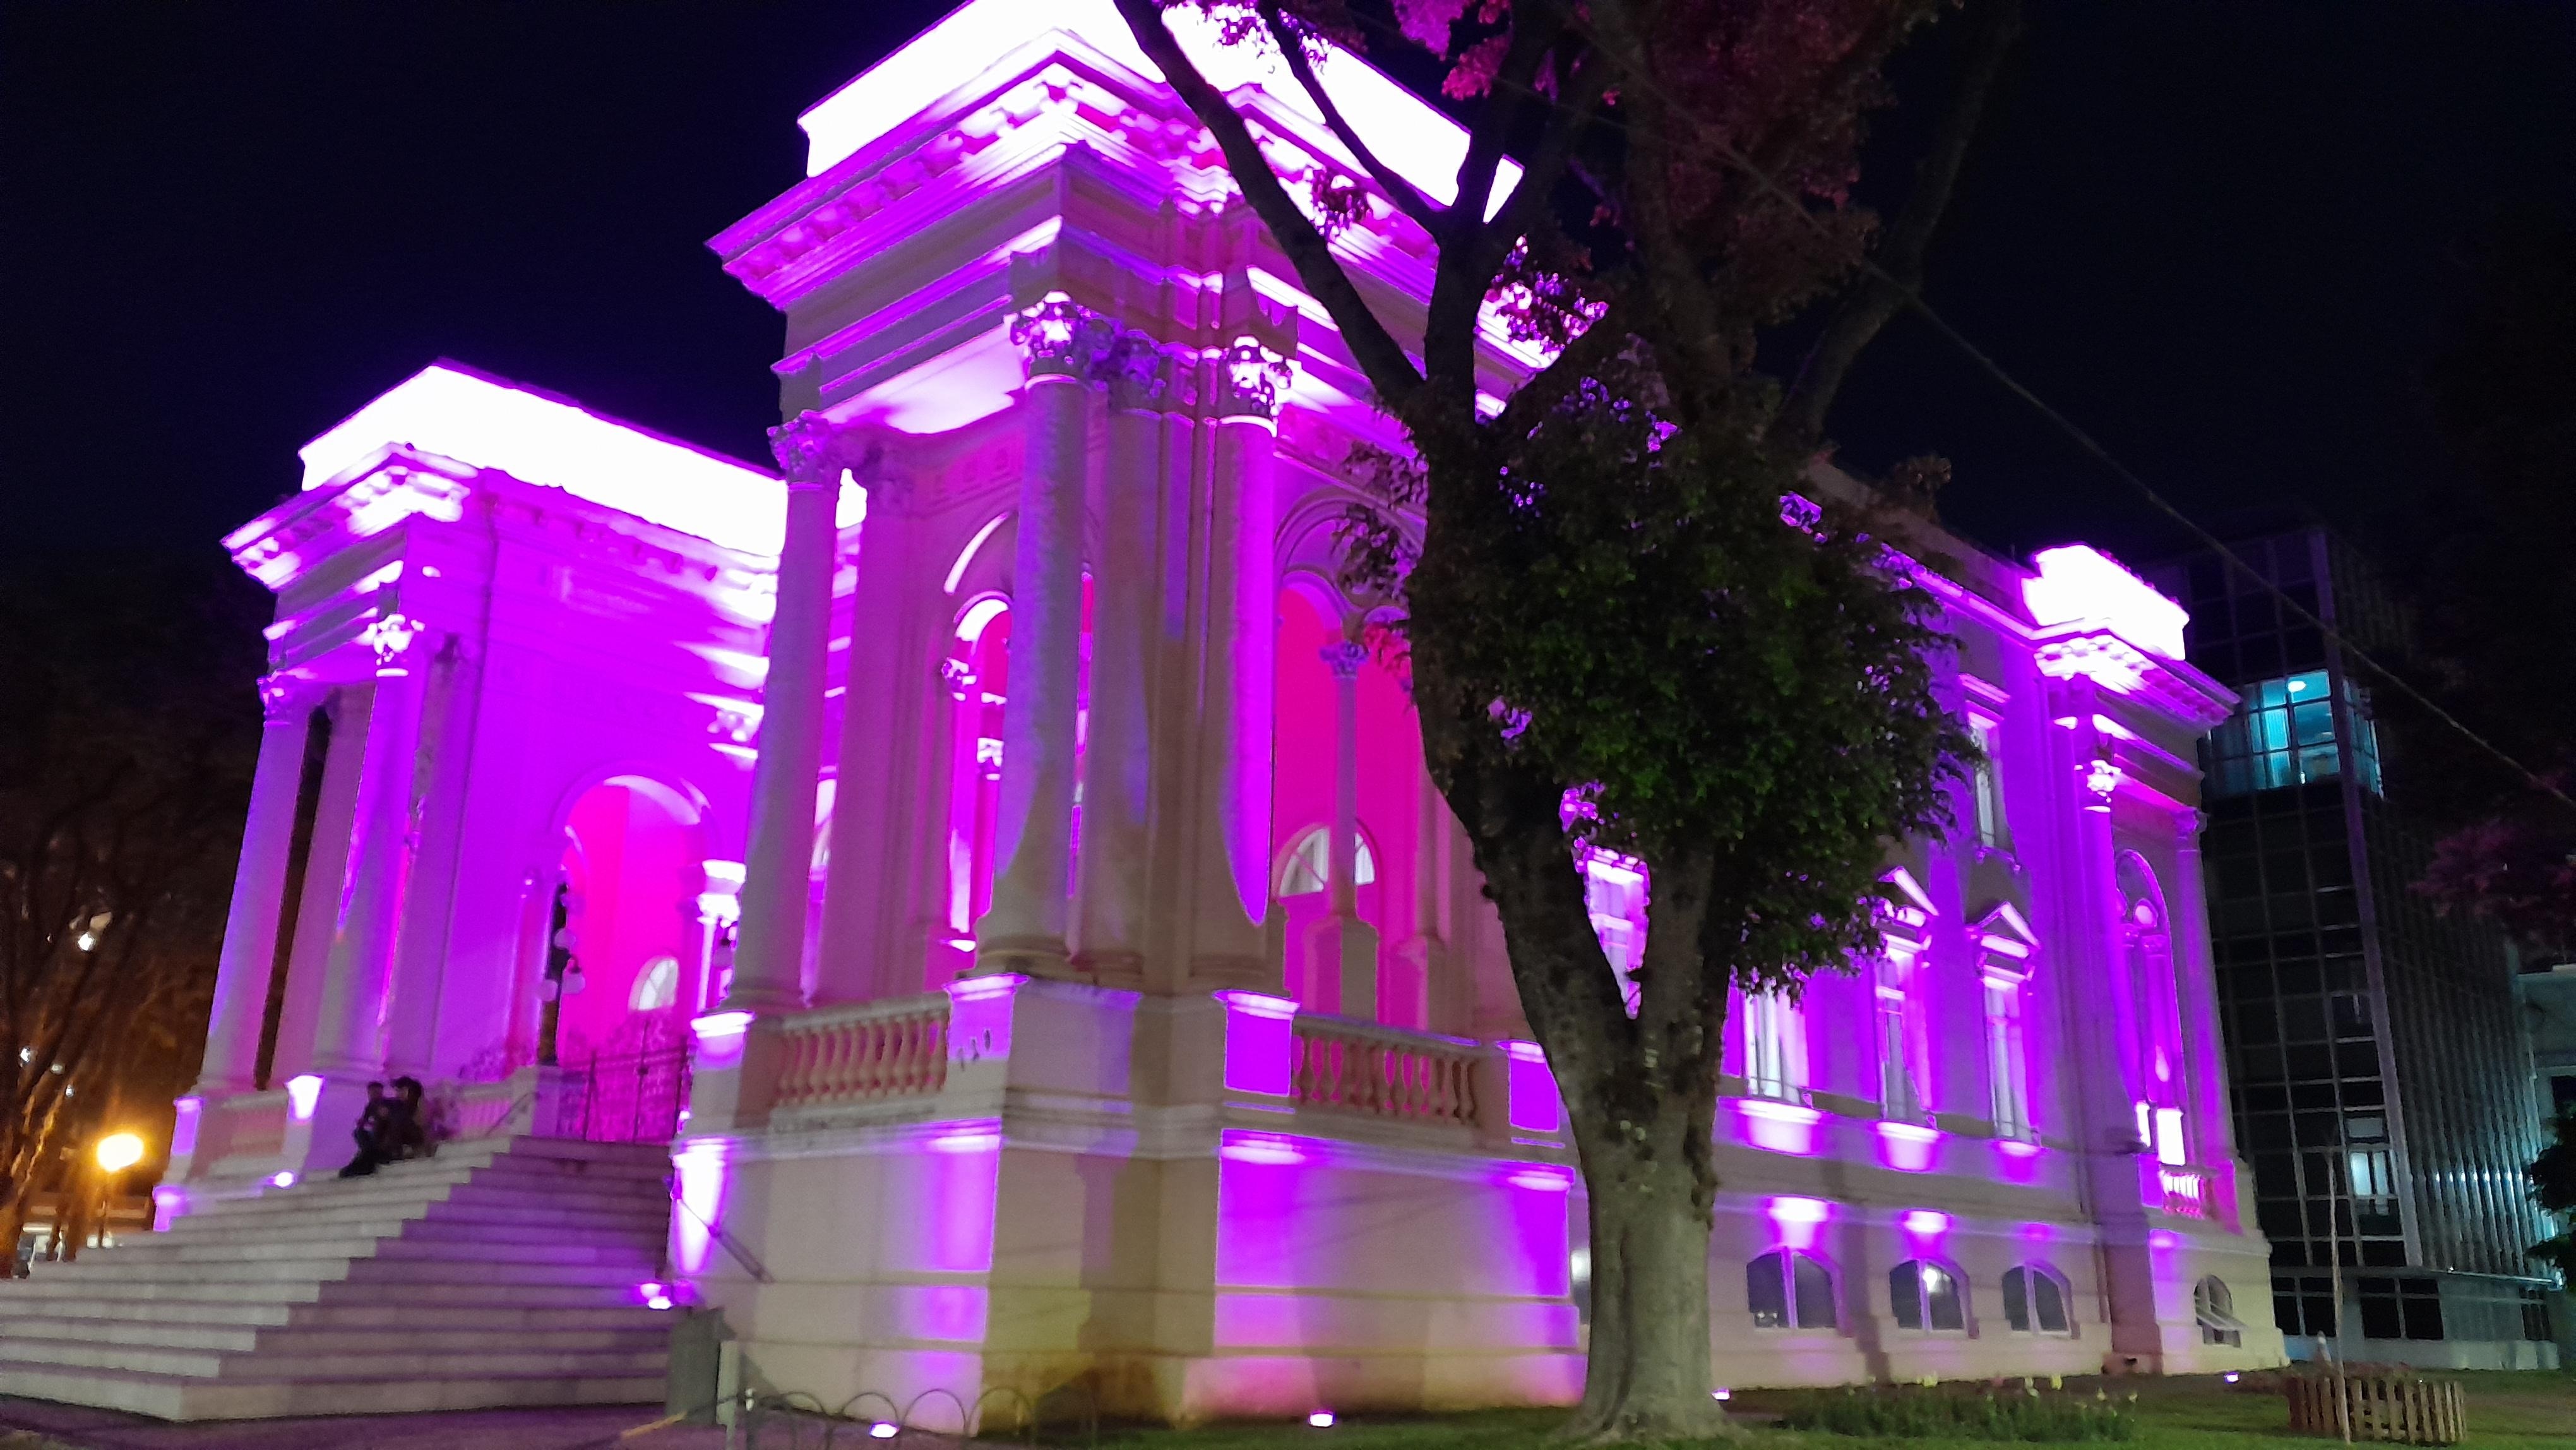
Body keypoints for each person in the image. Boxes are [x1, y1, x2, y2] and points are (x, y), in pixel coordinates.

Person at [338, 1081, 395, 1178]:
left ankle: (369, 1154)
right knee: (359, 1132)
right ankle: (366, 1152)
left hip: (384, 1136)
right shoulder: (370, 1106)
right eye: (371, 1092)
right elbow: (366, 1120)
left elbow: (388, 1122)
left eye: (376, 1092)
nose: (373, 1095)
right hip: (374, 1134)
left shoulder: (388, 1104)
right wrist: (364, 1123)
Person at [387, 1077, 428, 1161]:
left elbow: (422, 1124)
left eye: (402, 1090)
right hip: (401, 1146)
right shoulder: (398, 1106)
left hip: (417, 1144)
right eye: (398, 1091)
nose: (399, 1094)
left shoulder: (419, 1105)